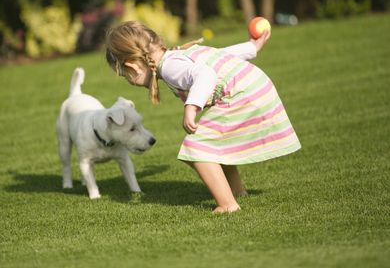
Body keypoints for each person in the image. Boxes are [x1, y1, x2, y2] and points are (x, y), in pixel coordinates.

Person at [105, 21, 301, 213]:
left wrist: (191, 106)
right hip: (256, 87)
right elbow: (219, 55)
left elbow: (206, 74)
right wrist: (251, 48)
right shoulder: (177, 55)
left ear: (133, 66)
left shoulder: (170, 67)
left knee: (196, 147)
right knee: (214, 143)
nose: (129, 81)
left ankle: (228, 205)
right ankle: (237, 191)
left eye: (125, 76)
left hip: (242, 94)